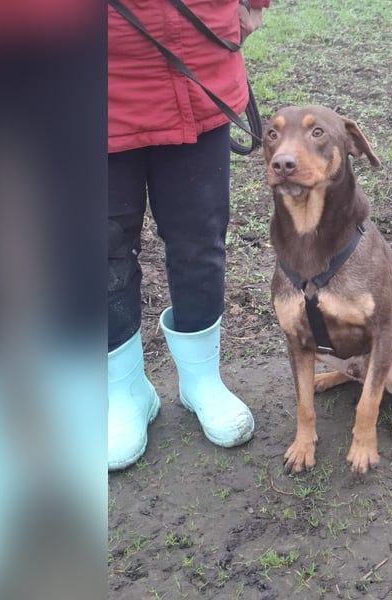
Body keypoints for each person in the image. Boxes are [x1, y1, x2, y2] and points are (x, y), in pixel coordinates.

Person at [107, 0, 270, 470]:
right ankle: (124, 390)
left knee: (200, 238)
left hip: (197, 72)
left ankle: (202, 381)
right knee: (100, 249)